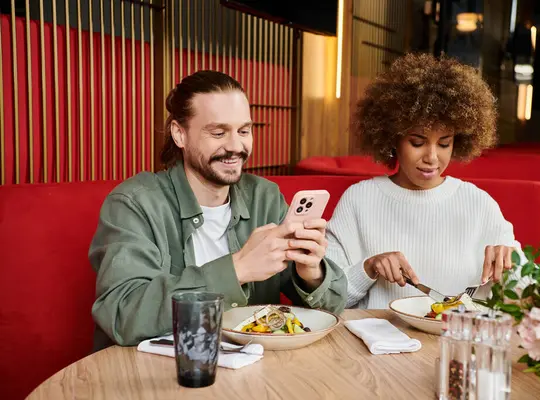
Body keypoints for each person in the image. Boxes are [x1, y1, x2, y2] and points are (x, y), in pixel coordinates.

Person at [89, 71, 347, 349]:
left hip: (251, 372)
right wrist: (237, 269)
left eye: (244, 131)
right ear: (179, 134)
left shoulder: (264, 197)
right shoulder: (134, 203)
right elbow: (123, 315)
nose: (236, 146)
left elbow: (332, 307)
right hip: (162, 373)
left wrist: (311, 274)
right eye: (218, 132)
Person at [325, 53, 523, 309]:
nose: (432, 157)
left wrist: (511, 263)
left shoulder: (478, 203)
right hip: (381, 345)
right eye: (417, 142)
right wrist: (369, 268)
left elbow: (523, 291)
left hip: (458, 342)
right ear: (392, 138)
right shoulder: (359, 200)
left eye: (444, 143)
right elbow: (328, 300)